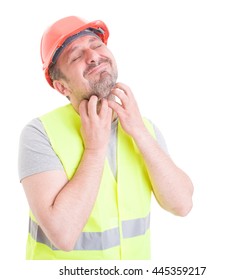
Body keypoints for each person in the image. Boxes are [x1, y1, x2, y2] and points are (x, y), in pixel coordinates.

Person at [18, 16, 194, 260]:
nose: (92, 55)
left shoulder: (143, 128)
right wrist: (94, 149)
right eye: (76, 56)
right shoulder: (40, 134)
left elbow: (182, 205)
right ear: (62, 88)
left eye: (96, 45)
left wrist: (140, 134)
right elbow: (63, 235)